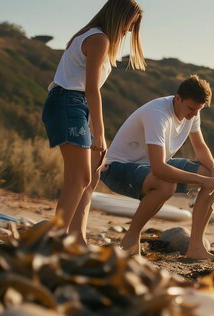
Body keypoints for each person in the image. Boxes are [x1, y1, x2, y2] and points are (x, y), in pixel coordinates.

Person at [41, 0, 145, 246]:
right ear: (118, 18)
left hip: (73, 105)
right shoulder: (99, 39)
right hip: (70, 103)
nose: (128, 32)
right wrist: (99, 132)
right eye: (128, 25)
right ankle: (54, 241)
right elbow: (91, 89)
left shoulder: (91, 36)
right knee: (78, 179)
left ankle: (77, 238)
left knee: (91, 174)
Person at [100, 75, 214, 258]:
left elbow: (199, 147)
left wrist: (212, 170)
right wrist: (202, 180)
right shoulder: (158, 114)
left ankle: (195, 247)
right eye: (191, 108)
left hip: (149, 165)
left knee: (212, 175)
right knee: (166, 185)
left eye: (199, 110)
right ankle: (131, 239)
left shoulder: (192, 112)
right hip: (117, 168)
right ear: (178, 98)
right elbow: (158, 168)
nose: (194, 115)